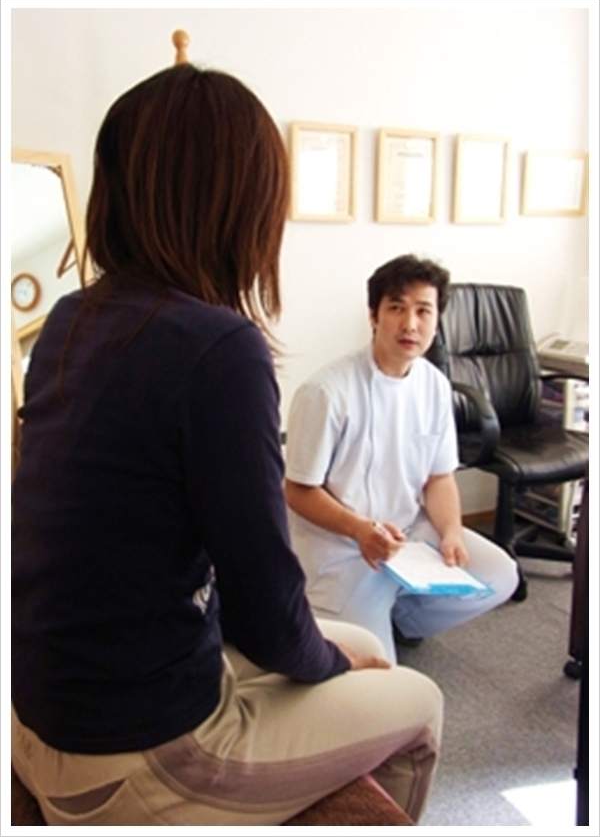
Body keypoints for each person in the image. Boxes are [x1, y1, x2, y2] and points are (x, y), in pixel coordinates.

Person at [11, 66, 444, 826]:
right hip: (130, 755)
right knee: (416, 698)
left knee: (347, 641)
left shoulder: (73, 319)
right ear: (241, 203)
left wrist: (329, 653)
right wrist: (332, 662)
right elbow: (267, 606)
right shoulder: (219, 348)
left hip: (37, 709)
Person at [284, 254, 519, 664]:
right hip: (345, 548)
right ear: (373, 315)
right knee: (377, 672)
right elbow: (298, 490)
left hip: (410, 538)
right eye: (396, 308)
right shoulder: (326, 391)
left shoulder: (435, 386)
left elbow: (439, 477)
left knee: (501, 575)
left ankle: (400, 615)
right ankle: (351, 612)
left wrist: (451, 532)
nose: (410, 324)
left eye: (423, 311)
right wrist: (360, 529)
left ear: (436, 321)